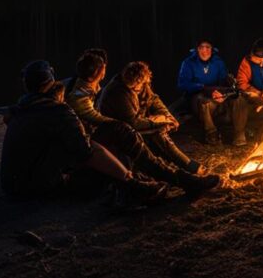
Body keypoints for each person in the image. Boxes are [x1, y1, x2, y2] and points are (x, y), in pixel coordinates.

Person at [0, 60, 168, 207]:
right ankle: (133, 185)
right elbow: (86, 151)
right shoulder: (57, 111)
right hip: (41, 187)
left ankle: (132, 181)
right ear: (51, 81)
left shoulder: (21, 109)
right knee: (113, 134)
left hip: (14, 185)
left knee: (100, 139)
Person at [64, 50, 219, 196]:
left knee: (150, 142)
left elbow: (153, 99)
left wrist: (166, 116)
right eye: (103, 67)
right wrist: (153, 122)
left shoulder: (92, 89)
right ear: (99, 72)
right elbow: (106, 121)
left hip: (113, 134)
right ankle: (184, 177)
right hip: (100, 143)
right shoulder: (89, 95)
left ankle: (184, 174)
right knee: (147, 144)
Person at [98, 61, 200, 172]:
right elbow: (133, 122)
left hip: (135, 123)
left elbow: (153, 99)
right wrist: (158, 122)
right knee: (158, 132)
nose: (138, 88)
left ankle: (179, 165)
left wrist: (167, 116)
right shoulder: (117, 92)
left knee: (161, 130)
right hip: (120, 131)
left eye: (140, 83)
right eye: (135, 86)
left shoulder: (140, 83)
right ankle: (186, 165)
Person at [175, 39, 235, 145]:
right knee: (203, 101)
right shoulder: (188, 63)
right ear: (197, 50)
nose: (204, 51)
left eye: (207, 47)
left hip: (215, 94)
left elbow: (223, 82)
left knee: (234, 99)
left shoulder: (218, 62)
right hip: (196, 97)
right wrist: (202, 87)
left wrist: (228, 83)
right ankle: (211, 133)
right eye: (201, 48)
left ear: (212, 49)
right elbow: (182, 84)